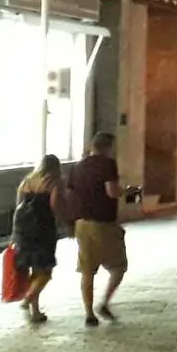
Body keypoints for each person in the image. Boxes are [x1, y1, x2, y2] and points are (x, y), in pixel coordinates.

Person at [68, 132, 127, 327]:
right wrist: (124, 190)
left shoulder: (77, 166)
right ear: (108, 147)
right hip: (103, 223)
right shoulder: (107, 164)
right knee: (119, 267)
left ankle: (88, 313)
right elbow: (111, 191)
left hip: (81, 223)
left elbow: (71, 193)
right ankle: (104, 303)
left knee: (87, 271)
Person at [12, 154, 62, 324]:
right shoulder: (54, 183)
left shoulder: (27, 181)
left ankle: (36, 312)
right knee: (45, 271)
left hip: (23, 230)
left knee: (34, 270)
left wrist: (15, 233)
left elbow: (18, 205)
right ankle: (28, 299)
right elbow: (54, 206)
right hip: (43, 229)